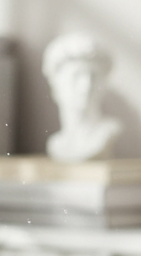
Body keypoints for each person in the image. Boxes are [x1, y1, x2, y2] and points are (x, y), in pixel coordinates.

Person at [43, 33, 121, 163]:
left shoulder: (107, 133)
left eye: (94, 77)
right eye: (76, 76)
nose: (86, 86)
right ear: (55, 84)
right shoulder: (56, 143)